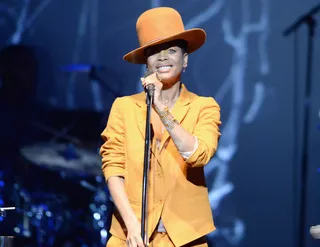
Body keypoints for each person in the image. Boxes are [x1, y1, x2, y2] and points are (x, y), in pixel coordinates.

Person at [100, 7, 221, 247]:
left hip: (185, 237)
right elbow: (113, 167)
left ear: (184, 60)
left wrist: (161, 108)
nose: (163, 57)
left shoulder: (204, 106)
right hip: (130, 236)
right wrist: (132, 225)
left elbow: (198, 155)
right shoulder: (124, 107)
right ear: (146, 62)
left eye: (172, 50)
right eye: (155, 52)